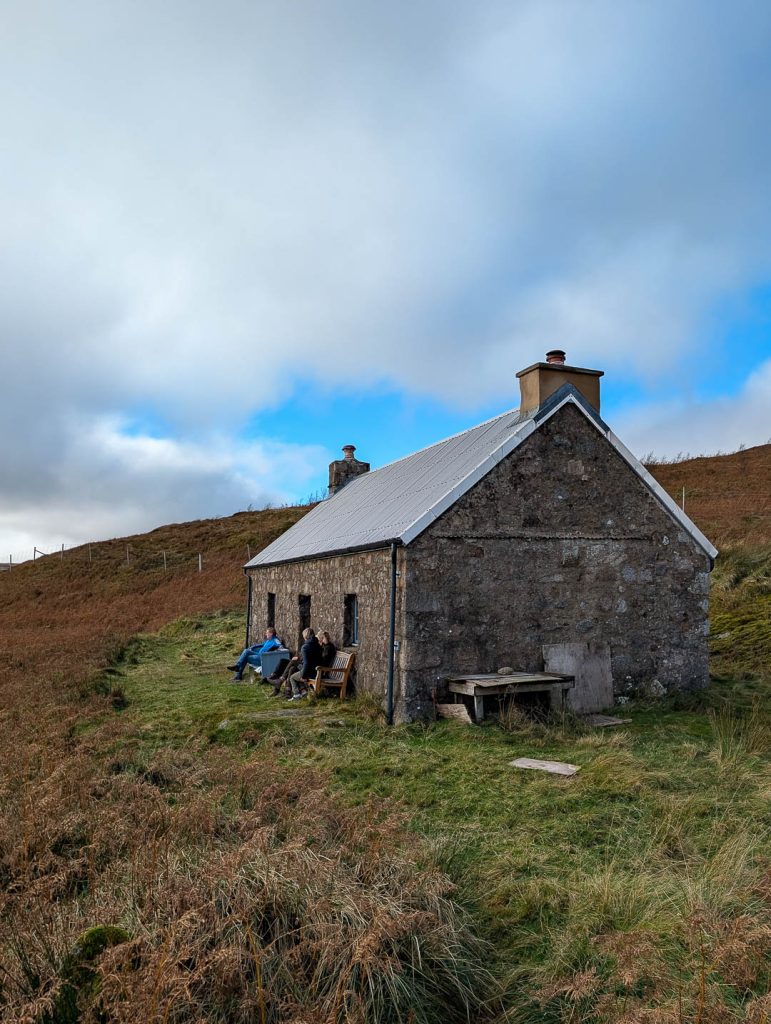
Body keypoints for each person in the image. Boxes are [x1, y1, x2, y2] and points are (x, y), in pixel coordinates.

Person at [288, 627, 322, 701]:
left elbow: (307, 663)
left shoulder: (305, 647)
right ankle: (303, 691)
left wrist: (303, 676)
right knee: (293, 668)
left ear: (305, 636)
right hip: (318, 670)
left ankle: (296, 694)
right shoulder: (318, 645)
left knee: (292, 677)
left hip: (310, 672)